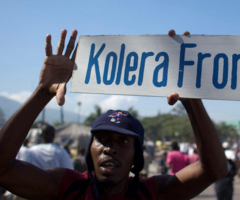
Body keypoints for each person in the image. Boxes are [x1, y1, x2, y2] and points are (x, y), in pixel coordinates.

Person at [0, 29, 227, 199]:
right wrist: (42, 93)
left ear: (137, 156)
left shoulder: (151, 193)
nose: (110, 148)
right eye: (102, 139)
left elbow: (214, 170)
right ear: (90, 149)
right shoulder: (68, 186)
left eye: (123, 140)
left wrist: (192, 100)